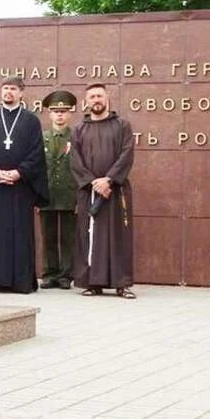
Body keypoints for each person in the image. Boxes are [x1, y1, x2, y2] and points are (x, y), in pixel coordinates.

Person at [0, 76, 48, 294]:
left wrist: (18, 172)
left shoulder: (31, 121)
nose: (8, 93)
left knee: (20, 236)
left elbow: (36, 153)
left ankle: (21, 282)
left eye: (13, 89)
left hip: (20, 189)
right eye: (5, 89)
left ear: (21, 93)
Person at [71, 83, 135, 299]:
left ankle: (122, 283)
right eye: (92, 97)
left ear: (107, 99)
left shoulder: (122, 126)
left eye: (99, 96)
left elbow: (126, 155)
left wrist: (108, 180)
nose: (96, 100)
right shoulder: (79, 129)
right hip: (89, 192)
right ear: (86, 101)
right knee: (89, 236)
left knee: (118, 236)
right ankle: (92, 283)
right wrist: (93, 183)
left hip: (115, 190)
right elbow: (75, 160)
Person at [39, 90, 78, 290]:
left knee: (67, 236)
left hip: (69, 193)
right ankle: (49, 273)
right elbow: (37, 167)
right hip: (47, 194)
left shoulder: (77, 137)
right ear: (49, 114)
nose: (60, 115)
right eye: (55, 111)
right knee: (48, 236)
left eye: (63, 111)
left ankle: (65, 275)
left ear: (69, 114)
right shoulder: (41, 137)